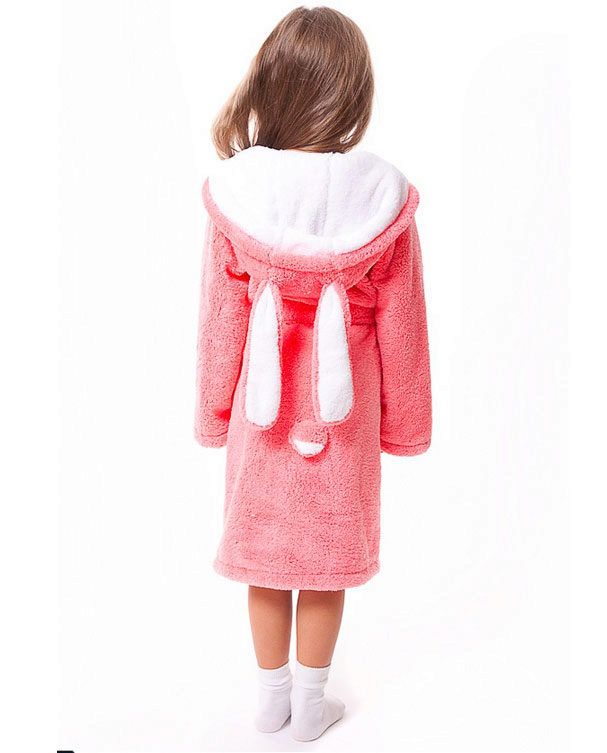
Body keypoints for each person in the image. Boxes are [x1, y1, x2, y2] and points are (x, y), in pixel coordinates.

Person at [194, 6, 431, 742]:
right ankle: (311, 704)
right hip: (343, 411)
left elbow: (220, 319)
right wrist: (405, 425)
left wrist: (213, 412)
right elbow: (403, 325)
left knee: (265, 553)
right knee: (326, 559)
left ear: (273, 85)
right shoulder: (382, 200)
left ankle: (271, 701)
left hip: (260, 409)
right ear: (353, 94)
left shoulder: (239, 194)